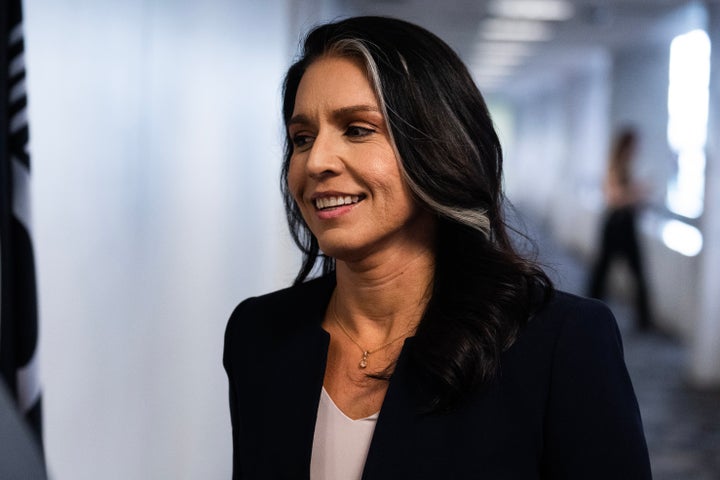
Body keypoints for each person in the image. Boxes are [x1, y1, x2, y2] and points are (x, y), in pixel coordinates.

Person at [223, 16, 651, 479]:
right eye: (302, 138)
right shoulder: (258, 334)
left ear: (438, 148)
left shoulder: (559, 344)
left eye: (358, 129)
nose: (317, 162)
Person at [587, 127, 653, 330]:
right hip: (616, 224)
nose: (636, 150)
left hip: (625, 223)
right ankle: (589, 311)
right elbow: (615, 198)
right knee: (601, 271)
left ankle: (644, 320)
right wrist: (638, 193)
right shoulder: (615, 167)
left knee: (636, 273)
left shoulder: (625, 167)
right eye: (634, 145)